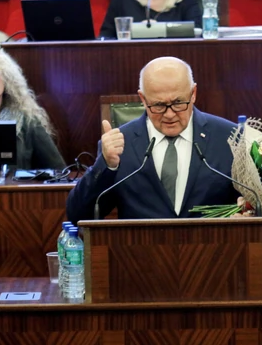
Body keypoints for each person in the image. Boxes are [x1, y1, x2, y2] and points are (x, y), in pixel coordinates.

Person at [66, 56, 238, 224]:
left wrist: (246, 213)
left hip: (211, 242)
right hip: (141, 243)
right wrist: (106, 166)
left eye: (178, 102)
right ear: (143, 99)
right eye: (159, 105)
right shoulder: (121, 144)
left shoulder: (229, 138)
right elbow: (78, 215)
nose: (169, 114)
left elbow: (250, 205)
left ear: (193, 94)